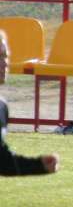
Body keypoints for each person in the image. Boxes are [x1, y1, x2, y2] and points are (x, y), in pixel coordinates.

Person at [0, 31, 59, 176]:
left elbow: (2, 161)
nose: (4, 63)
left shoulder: (2, 106)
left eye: (5, 56)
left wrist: (38, 165)